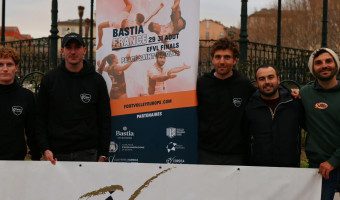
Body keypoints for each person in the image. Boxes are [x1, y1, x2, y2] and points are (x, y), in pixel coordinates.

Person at [36, 33, 111, 164]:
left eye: (77, 47)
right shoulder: (50, 80)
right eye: (69, 47)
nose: (73, 51)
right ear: (62, 51)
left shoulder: (97, 81)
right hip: (56, 154)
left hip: (88, 153)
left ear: (85, 50)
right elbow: (40, 117)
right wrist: (45, 148)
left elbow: (104, 119)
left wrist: (103, 154)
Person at [196, 37, 255, 165]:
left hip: (236, 155)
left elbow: (265, 98)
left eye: (227, 57)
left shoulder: (244, 85)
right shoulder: (201, 84)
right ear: (212, 59)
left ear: (235, 60)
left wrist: (292, 94)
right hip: (206, 153)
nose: (222, 61)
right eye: (218, 57)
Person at [244, 65, 304, 167]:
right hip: (258, 169)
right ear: (257, 83)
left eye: (270, 77)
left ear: (278, 80)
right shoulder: (249, 106)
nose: (267, 82)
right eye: (262, 79)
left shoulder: (294, 102)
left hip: (290, 168)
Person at [300, 48, 340, 200]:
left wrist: (333, 161)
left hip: (330, 163)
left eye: (328, 61)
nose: (324, 65)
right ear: (312, 68)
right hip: (320, 169)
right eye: (318, 63)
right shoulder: (305, 93)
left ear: (336, 64)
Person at [0, 47, 41, 160]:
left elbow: (32, 131)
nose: (5, 69)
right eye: (1, 64)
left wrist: (36, 157)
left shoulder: (26, 96)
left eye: (9, 64)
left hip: (16, 161)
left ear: (16, 67)